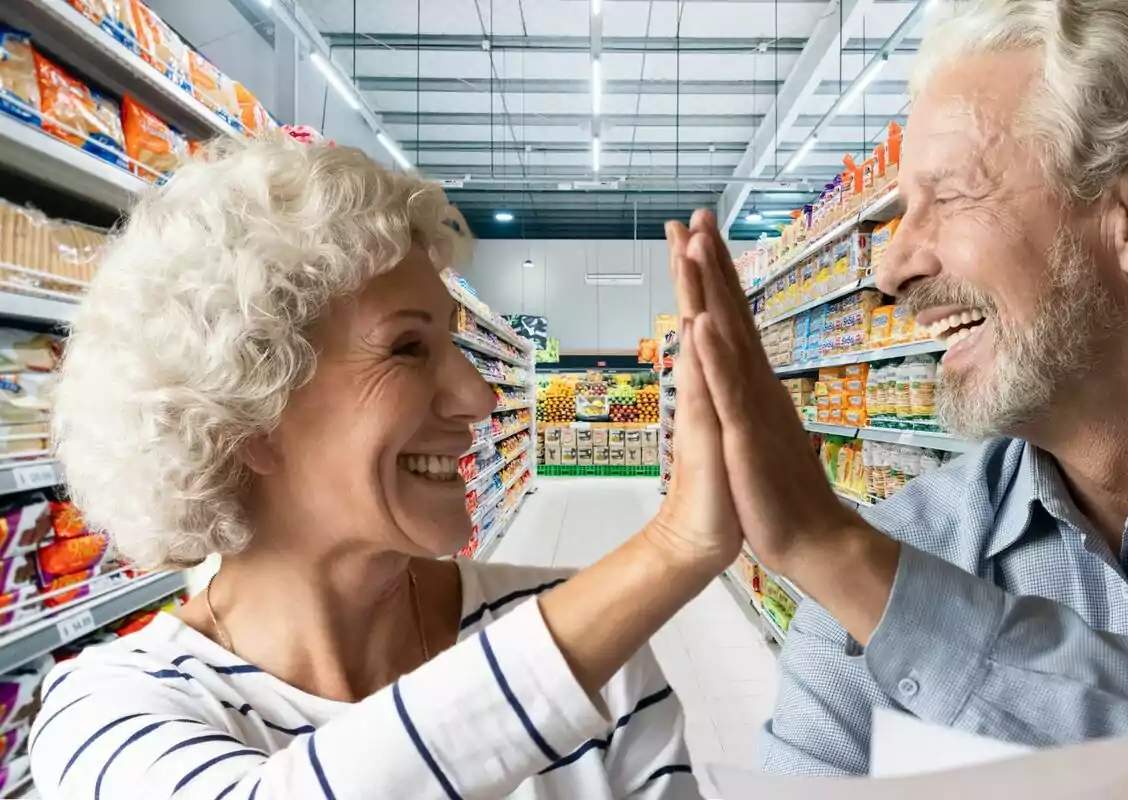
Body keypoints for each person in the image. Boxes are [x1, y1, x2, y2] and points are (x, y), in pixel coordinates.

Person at [31, 132, 740, 799]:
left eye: (460, 349)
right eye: (407, 349)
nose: (477, 395)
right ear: (246, 414)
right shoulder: (106, 713)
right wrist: (669, 551)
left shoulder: (591, 647)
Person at [662, 0, 1128, 778]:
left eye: (948, 198)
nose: (891, 268)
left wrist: (845, 561)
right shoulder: (895, 558)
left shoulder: (867, 576)